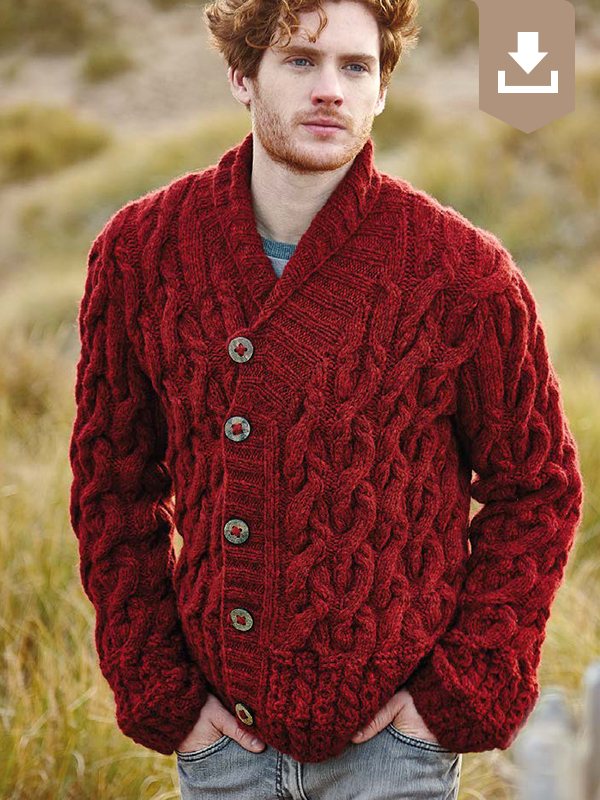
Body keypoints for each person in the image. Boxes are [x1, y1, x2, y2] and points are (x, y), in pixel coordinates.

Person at [68, 0, 584, 797]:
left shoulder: (462, 275)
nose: (330, 90)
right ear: (243, 76)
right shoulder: (142, 253)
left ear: (382, 90)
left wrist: (455, 691)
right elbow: (113, 484)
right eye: (301, 60)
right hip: (222, 745)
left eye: (356, 67)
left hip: (394, 755)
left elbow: (538, 486)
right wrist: (161, 689)